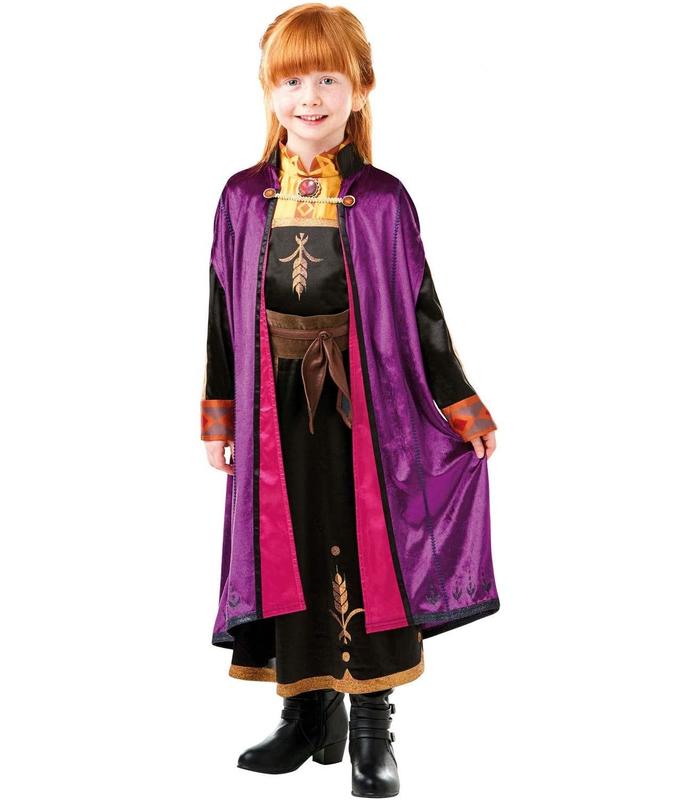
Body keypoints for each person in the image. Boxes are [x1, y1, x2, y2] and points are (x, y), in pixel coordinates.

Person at [200, 4, 499, 796]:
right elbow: (222, 310)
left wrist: (461, 406)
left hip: (366, 412)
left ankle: (371, 727)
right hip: (272, 412)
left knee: (368, 552)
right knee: (287, 551)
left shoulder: (384, 199)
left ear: (360, 88)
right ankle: (307, 716)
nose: (310, 97)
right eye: (293, 80)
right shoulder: (241, 198)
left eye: (328, 79)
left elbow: (421, 308)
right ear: (269, 90)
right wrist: (219, 414)